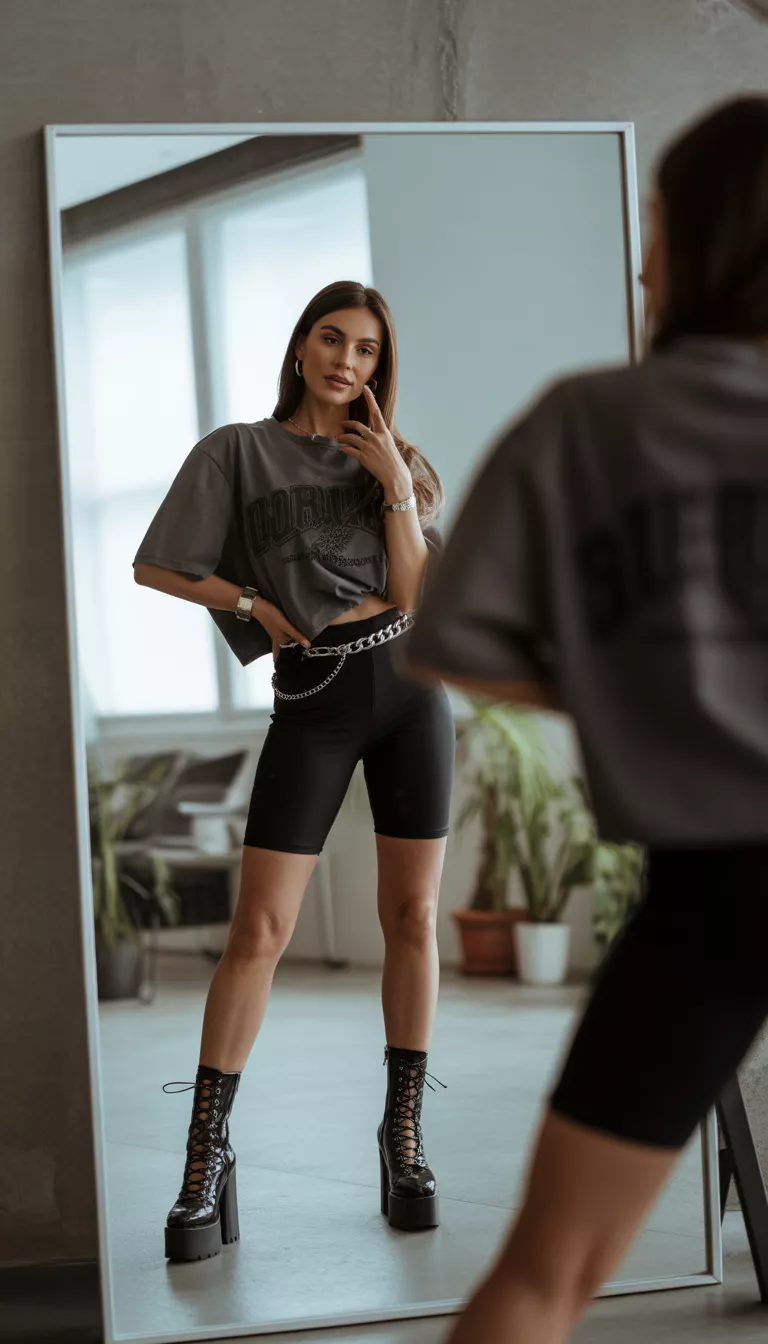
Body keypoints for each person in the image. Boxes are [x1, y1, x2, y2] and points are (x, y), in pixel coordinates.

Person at [404, 94, 768, 1344]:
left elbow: (454, 646)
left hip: (715, 896)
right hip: (705, 894)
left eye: (658, 222)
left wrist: (650, 685)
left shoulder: (587, 425)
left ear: (712, 239)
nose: (644, 255)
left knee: (542, 1280)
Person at [133, 280, 455, 1261]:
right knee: (261, 930)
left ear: (379, 368)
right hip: (312, 696)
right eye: (331, 339)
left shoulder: (397, 463)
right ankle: (206, 1160)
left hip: (409, 687)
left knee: (410, 918)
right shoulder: (237, 451)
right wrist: (256, 609)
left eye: (365, 350)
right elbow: (156, 565)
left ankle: (402, 1142)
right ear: (302, 344)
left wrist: (395, 484)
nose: (345, 361)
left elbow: (413, 592)